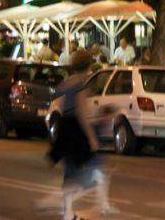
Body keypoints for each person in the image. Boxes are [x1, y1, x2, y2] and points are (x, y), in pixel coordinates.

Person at [47, 50, 100, 220]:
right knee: (88, 172)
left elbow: (60, 102)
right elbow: (82, 112)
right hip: (75, 127)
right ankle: (60, 209)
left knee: (69, 171)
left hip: (65, 126)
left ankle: (68, 213)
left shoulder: (67, 82)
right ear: (88, 64)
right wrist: (91, 136)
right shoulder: (81, 84)